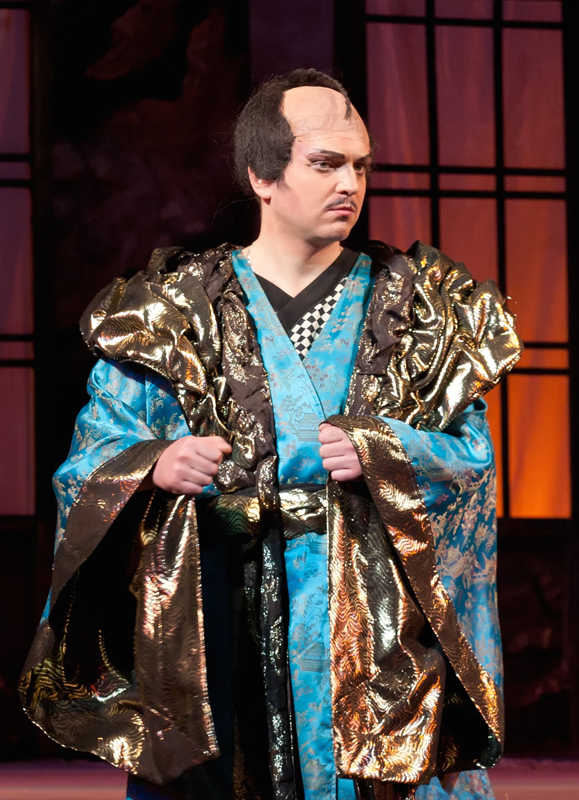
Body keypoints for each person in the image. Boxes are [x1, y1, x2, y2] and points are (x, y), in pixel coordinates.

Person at [20, 69, 521, 800]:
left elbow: (471, 463)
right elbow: (90, 461)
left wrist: (388, 450)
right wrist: (155, 464)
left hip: (370, 629)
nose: (349, 183)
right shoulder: (173, 312)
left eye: (360, 166)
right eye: (325, 163)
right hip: (219, 619)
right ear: (262, 175)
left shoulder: (420, 309)